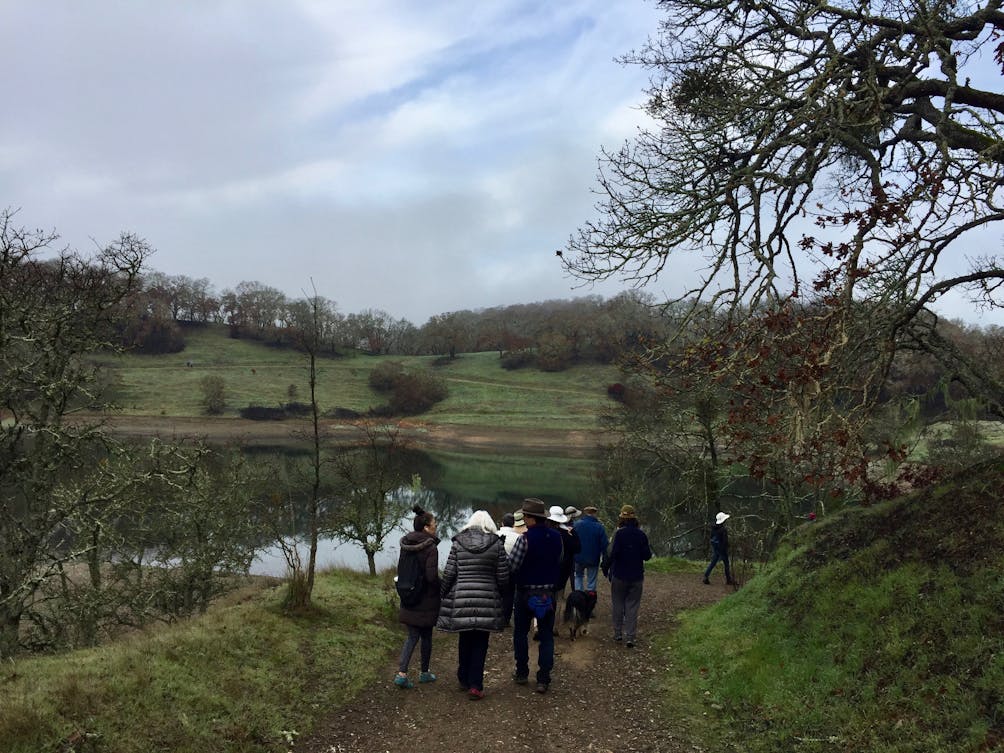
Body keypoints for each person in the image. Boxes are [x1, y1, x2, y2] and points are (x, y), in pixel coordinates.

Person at [437, 509, 510, 700]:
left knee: (465, 638)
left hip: (462, 598)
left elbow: (449, 573)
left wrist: (442, 594)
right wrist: (501, 595)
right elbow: (503, 577)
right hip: (487, 598)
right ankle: (476, 685)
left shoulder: (458, 542)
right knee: (481, 642)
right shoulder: (497, 544)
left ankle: (463, 677)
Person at [508, 498, 563, 693]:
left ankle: (522, 672)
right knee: (546, 636)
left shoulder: (524, 539)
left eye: (525, 516)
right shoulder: (557, 537)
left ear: (531, 518)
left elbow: (512, 566)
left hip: (525, 592)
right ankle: (543, 678)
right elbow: (559, 560)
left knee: (521, 633)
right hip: (548, 593)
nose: (523, 518)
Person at [394, 505, 441, 688]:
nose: (436, 526)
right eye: (434, 523)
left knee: (412, 636)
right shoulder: (431, 547)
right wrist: (441, 587)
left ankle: (402, 674)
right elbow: (431, 577)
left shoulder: (406, 544)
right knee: (426, 636)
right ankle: (424, 672)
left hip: (408, 594)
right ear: (426, 527)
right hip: (426, 598)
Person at [603, 504, 652, 648]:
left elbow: (612, 553)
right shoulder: (641, 535)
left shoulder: (619, 534)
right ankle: (630, 636)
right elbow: (647, 556)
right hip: (636, 575)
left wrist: (605, 567)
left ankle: (618, 633)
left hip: (619, 574)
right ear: (634, 518)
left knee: (618, 603)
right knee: (632, 606)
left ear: (621, 518)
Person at [573, 505, 609, 592]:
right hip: (593, 557)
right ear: (594, 514)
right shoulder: (599, 527)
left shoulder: (577, 524)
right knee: (591, 580)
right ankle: (590, 596)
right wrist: (605, 557)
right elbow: (604, 544)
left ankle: (578, 595)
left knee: (578, 576)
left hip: (578, 556)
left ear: (585, 513)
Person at [703, 511, 736, 586]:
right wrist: (726, 548)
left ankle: (706, 576)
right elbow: (725, 541)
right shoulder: (723, 530)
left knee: (713, 562)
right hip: (722, 549)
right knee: (726, 564)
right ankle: (728, 579)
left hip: (716, 547)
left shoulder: (713, 528)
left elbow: (711, 537)